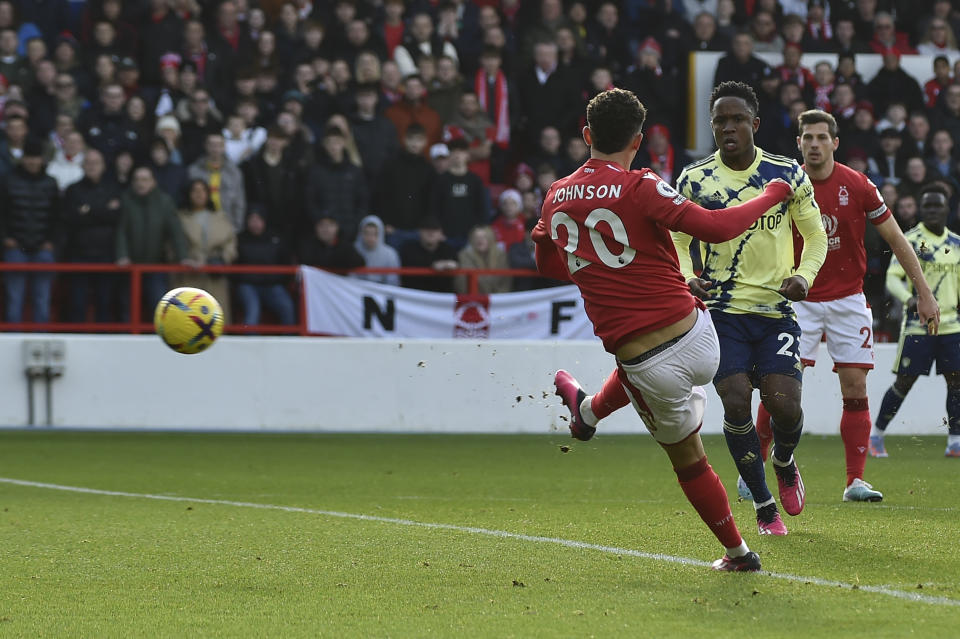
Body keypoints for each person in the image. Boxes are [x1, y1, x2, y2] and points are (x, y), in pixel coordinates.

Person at [540, 88, 795, 572]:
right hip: (702, 338)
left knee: (690, 461)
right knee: (658, 370)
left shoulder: (555, 197)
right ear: (638, 140)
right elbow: (717, 228)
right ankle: (589, 412)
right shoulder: (642, 185)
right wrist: (771, 194)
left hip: (648, 366)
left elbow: (552, 269)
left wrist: (561, 246)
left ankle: (739, 554)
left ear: (587, 135)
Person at [667, 82, 827, 536]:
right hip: (721, 312)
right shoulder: (695, 179)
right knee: (736, 402)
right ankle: (763, 506)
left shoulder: (787, 175)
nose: (728, 127)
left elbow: (815, 237)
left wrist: (804, 277)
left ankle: (784, 459)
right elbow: (676, 238)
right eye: (720, 120)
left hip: (775, 309)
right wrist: (685, 276)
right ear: (712, 126)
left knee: (786, 408)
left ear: (754, 124)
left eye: (737, 119)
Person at [779, 110, 940, 502]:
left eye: (821, 137)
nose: (814, 144)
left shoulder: (859, 185)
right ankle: (758, 472)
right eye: (807, 138)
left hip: (849, 299)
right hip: (798, 299)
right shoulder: (784, 186)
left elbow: (898, 239)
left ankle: (855, 481)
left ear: (835, 143)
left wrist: (924, 292)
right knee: (781, 390)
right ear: (798, 143)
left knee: (855, 387)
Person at [873, 183, 960, 458]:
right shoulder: (910, 241)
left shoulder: (956, 244)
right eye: (927, 206)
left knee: (956, 382)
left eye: (937, 205)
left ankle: (955, 441)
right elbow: (892, 278)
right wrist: (910, 300)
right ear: (920, 209)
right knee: (904, 382)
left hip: (952, 326)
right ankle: (876, 435)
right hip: (918, 326)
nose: (932, 210)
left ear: (947, 208)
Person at [116, 166, 191, 316]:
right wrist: (121, 255)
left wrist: (183, 257)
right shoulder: (126, 200)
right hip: (130, 267)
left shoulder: (164, 202)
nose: (140, 183)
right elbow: (121, 231)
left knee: (160, 306)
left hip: (156, 265)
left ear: (153, 182)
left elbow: (175, 232)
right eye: (136, 180)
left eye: (145, 180)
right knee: (127, 306)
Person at [0, 138, 59, 323]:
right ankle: (11, 340)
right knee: (14, 299)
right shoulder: (7, 181)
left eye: (36, 157)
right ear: (23, 159)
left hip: (43, 248)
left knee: (42, 299)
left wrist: (51, 242)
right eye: (29, 157)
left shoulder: (51, 183)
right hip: (15, 247)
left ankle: (42, 341)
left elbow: (58, 217)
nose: (32, 161)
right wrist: (5, 239)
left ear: (42, 159)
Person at [61, 149, 123, 322]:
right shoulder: (73, 190)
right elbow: (71, 218)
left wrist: (87, 210)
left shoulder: (113, 188)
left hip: (106, 255)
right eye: (88, 162)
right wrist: (103, 209)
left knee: (104, 303)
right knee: (77, 304)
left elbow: (115, 216)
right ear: (82, 165)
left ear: (103, 166)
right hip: (78, 255)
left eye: (96, 162)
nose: (92, 166)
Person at [174, 179, 238, 323]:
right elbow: (172, 244)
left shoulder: (220, 217)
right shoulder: (180, 217)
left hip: (215, 276)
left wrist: (222, 258)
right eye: (195, 190)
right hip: (189, 275)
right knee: (188, 323)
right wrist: (185, 258)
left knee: (215, 321)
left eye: (202, 190)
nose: (199, 194)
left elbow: (231, 243)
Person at [234, 210, 296, 327]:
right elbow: (234, 263)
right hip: (248, 285)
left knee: (287, 306)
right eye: (252, 219)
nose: (255, 223)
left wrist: (278, 278)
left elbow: (286, 261)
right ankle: (250, 343)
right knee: (252, 312)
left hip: (272, 284)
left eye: (258, 219)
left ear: (264, 221)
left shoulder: (276, 238)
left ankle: (289, 341)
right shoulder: (240, 239)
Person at [455, 225, 511, 294]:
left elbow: (505, 281)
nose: (480, 240)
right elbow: (463, 283)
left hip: (498, 299)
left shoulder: (501, 255)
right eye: (476, 237)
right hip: (473, 299)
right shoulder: (464, 255)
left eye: (484, 237)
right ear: (472, 239)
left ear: (490, 238)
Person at [353, 215, 401, 286]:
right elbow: (351, 279)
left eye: (375, 234)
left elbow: (392, 282)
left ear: (381, 234)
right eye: (367, 233)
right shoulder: (353, 251)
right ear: (361, 233)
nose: (370, 238)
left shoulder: (390, 254)